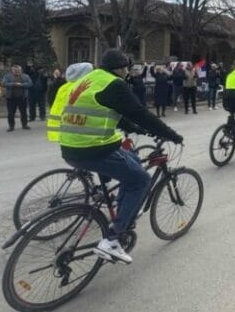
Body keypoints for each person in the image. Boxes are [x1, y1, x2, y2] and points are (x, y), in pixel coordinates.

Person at [58, 49, 183, 264]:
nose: (128, 72)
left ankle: (123, 210)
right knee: (141, 180)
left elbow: (111, 112)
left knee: (133, 160)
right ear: (120, 69)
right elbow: (140, 113)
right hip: (94, 149)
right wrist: (172, 135)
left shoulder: (91, 79)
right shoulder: (115, 84)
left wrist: (137, 129)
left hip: (71, 147)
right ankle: (112, 240)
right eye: (126, 68)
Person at [46, 62, 94, 142]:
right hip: (79, 132)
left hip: (67, 131)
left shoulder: (64, 88)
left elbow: (55, 107)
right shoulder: (81, 87)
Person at [2, 65, 33, 131]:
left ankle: (24, 125)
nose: (17, 71)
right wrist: (13, 84)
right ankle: (11, 126)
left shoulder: (26, 76)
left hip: (22, 97)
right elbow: (4, 83)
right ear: (12, 70)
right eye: (15, 70)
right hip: (11, 97)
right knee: (11, 113)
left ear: (21, 70)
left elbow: (30, 84)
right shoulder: (7, 76)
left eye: (18, 70)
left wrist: (21, 85)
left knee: (23, 112)